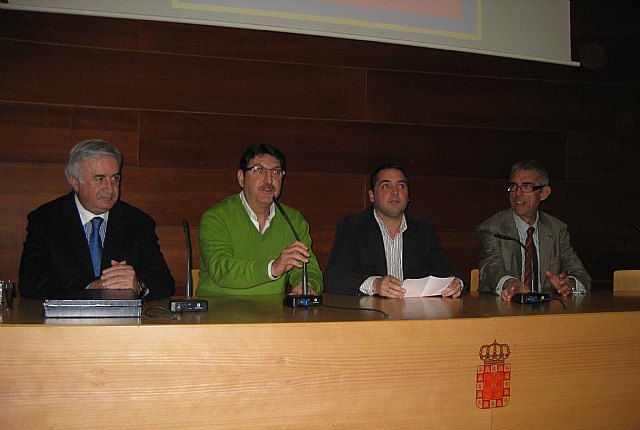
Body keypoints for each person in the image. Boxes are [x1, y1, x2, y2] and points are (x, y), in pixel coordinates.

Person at [19, 139, 175, 300]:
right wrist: (90, 286)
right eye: (100, 179)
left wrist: (138, 285)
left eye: (115, 178)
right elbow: (30, 283)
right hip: (64, 322)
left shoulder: (138, 222)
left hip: (122, 322)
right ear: (75, 182)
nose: (110, 188)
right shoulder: (45, 220)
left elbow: (164, 282)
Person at [197, 143, 323, 296]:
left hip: (274, 314)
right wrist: (272, 269)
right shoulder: (216, 218)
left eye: (276, 172)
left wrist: (306, 285)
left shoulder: (293, 220)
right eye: (259, 170)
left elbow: (308, 268)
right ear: (241, 178)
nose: (269, 180)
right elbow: (221, 269)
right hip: (220, 312)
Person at [325, 163, 464, 298]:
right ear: (372, 195)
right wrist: (375, 284)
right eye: (386, 186)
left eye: (401, 186)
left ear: (408, 196)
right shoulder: (352, 226)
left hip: (416, 315)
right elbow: (334, 277)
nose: (395, 192)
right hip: (370, 315)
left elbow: (446, 271)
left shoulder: (424, 229)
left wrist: (456, 283)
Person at [476, 160, 590, 301]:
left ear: (544, 193)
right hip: (502, 310)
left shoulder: (557, 229)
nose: (517, 194)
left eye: (526, 186)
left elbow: (581, 275)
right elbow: (490, 267)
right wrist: (509, 283)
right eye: (513, 186)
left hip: (547, 311)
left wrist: (569, 284)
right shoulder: (492, 227)